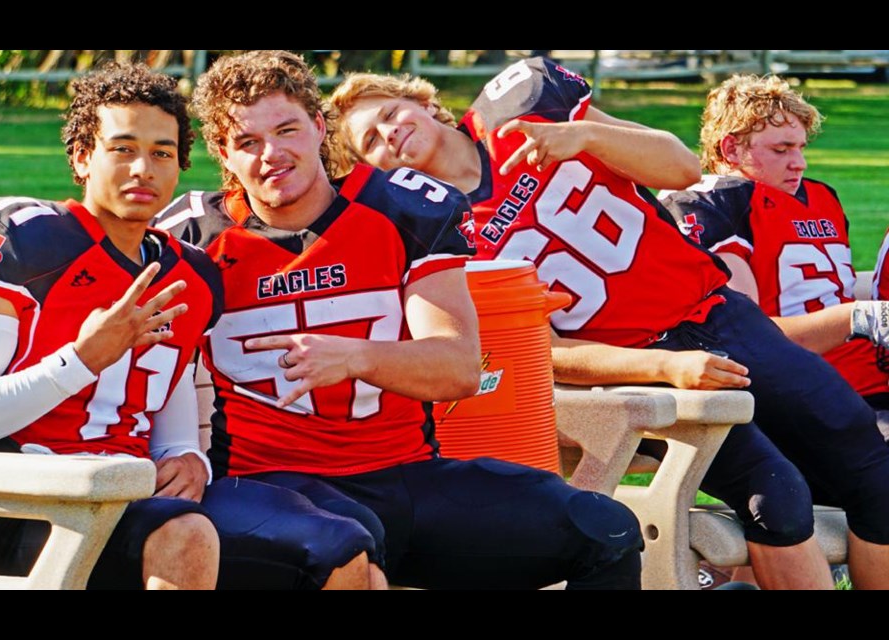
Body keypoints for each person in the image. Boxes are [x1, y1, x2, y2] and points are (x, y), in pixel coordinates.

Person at [329, 57, 889, 590]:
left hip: (717, 312)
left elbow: (681, 167)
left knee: (875, 475)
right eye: (370, 143)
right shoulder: (435, 231)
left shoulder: (523, 113)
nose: (389, 135)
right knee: (778, 495)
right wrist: (663, 367)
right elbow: (543, 350)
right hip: (635, 363)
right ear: (374, 169)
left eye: (388, 114)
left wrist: (587, 136)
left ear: (425, 104)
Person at [158, 50, 644, 590]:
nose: (272, 154)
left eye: (287, 130)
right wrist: (177, 451)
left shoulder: (400, 210)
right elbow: (149, 367)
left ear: (318, 127)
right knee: (345, 540)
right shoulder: (193, 240)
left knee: (603, 530)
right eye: (248, 143)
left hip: (403, 474)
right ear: (223, 153)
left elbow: (458, 368)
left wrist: (355, 357)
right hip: (271, 483)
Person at [0, 63, 222, 590]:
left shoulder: (193, 274)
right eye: (123, 147)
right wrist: (82, 359)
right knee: (187, 536)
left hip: (134, 495)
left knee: (315, 544)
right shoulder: (29, 244)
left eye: (162, 152)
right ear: (82, 157)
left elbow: (170, 406)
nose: (143, 168)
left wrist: (188, 456)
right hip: (38, 500)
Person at [661, 75, 889, 439]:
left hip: (867, 374)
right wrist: (861, 317)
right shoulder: (715, 202)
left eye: (801, 148)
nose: (799, 163)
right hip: (813, 394)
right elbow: (747, 337)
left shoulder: (822, 197)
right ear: (731, 149)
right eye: (781, 150)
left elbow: (833, 292)